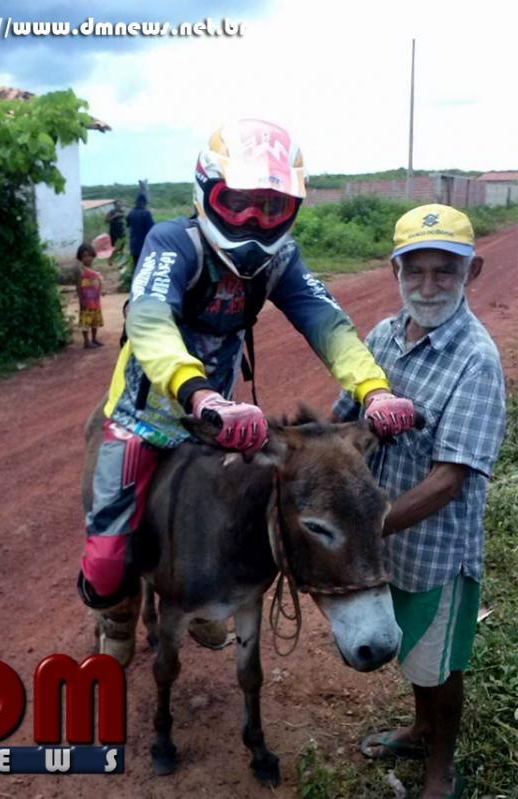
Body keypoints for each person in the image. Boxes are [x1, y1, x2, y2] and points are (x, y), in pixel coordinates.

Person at [77, 119, 415, 666]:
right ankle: (116, 614)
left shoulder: (281, 260)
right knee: (106, 557)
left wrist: (375, 391)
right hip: (146, 417)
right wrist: (199, 394)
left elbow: (326, 322)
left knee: (227, 526)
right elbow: (150, 322)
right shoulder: (174, 242)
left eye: (272, 208)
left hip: (215, 422)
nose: (255, 222)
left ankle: (203, 602)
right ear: (207, 193)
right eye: (238, 204)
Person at [332, 204, 506, 799]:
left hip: (436, 552)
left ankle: (441, 768)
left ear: (471, 272)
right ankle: (418, 728)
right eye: (416, 271)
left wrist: (363, 527)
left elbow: (448, 480)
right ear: (396, 271)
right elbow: (345, 420)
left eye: (445, 271)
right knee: (412, 653)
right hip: (389, 549)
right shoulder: (382, 336)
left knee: (440, 665)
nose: (429, 286)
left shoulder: (476, 361)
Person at [76, 243, 104, 349]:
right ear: (80, 258)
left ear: (93, 256)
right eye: (84, 256)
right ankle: (86, 341)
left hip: (95, 301)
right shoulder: (81, 272)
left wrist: (101, 291)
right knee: (85, 322)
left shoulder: (95, 273)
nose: (87, 258)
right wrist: (81, 299)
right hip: (85, 301)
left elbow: (98, 285)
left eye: (89, 256)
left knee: (95, 321)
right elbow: (78, 286)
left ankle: (94, 338)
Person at [126, 192, 154, 267]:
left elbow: (127, 225)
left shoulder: (130, 213)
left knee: (136, 266)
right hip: (144, 245)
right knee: (145, 266)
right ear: (144, 203)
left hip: (133, 245)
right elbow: (151, 229)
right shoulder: (146, 213)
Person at [105, 199, 125, 264]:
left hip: (121, 231)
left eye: (121, 204)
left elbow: (126, 220)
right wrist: (114, 216)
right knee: (112, 246)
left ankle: (121, 261)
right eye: (118, 204)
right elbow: (106, 220)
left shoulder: (122, 212)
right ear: (115, 205)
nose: (120, 205)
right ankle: (110, 260)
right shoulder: (111, 212)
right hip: (113, 231)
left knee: (121, 246)